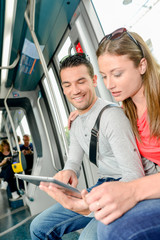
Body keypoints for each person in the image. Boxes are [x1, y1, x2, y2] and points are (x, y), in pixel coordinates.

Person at [30, 54, 155, 240]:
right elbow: (73, 160)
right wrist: (68, 172)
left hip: (123, 186)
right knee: (38, 227)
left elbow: (134, 175)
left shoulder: (112, 117)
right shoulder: (76, 122)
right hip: (101, 185)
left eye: (81, 81)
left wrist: (92, 203)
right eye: (67, 85)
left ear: (94, 80)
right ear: (63, 89)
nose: (75, 90)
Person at [79, 28, 160, 240]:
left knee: (111, 230)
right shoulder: (128, 111)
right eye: (104, 76)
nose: (109, 85)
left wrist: (133, 191)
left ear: (142, 66)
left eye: (117, 74)